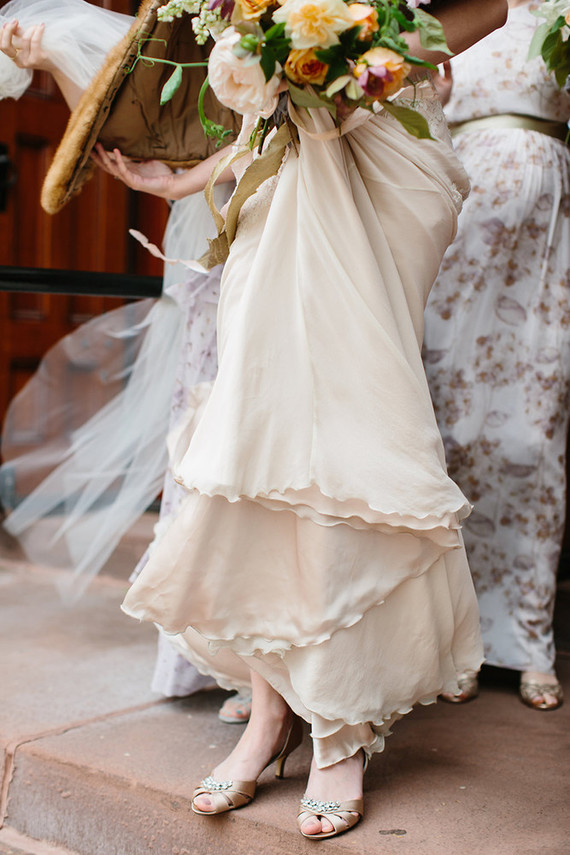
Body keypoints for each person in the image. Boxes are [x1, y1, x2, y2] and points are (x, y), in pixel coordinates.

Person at [116, 0, 508, 840]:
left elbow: (488, 7)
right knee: (262, 422)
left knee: (353, 423)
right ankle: (271, 712)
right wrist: (199, 167)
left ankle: (340, 725)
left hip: (381, 154)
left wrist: (366, 64)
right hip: (281, 161)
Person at [0, 0, 251, 721]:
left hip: (273, 211)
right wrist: (55, 60)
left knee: (252, 427)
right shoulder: (187, 19)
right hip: (210, 228)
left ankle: (263, 654)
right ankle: (209, 646)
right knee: (199, 429)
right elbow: (120, 132)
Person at [425, 0, 569, 710]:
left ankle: (527, 637)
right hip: (458, 218)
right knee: (453, 423)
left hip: (549, 231)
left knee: (533, 429)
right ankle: (458, 638)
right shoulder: (444, 10)